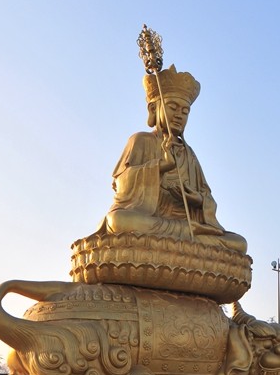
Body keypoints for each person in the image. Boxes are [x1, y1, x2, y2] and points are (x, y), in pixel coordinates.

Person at [100, 64, 247, 254]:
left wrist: (198, 200)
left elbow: (207, 197)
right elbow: (121, 185)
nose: (179, 115)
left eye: (185, 112)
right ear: (154, 108)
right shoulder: (142, 140)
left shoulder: (189, 154)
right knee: (119, 221)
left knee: (239, 243)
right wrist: (162, 166)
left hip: (185, 225)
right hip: (151, 222)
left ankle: (191, 232)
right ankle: (190, 234)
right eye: (173, 107)